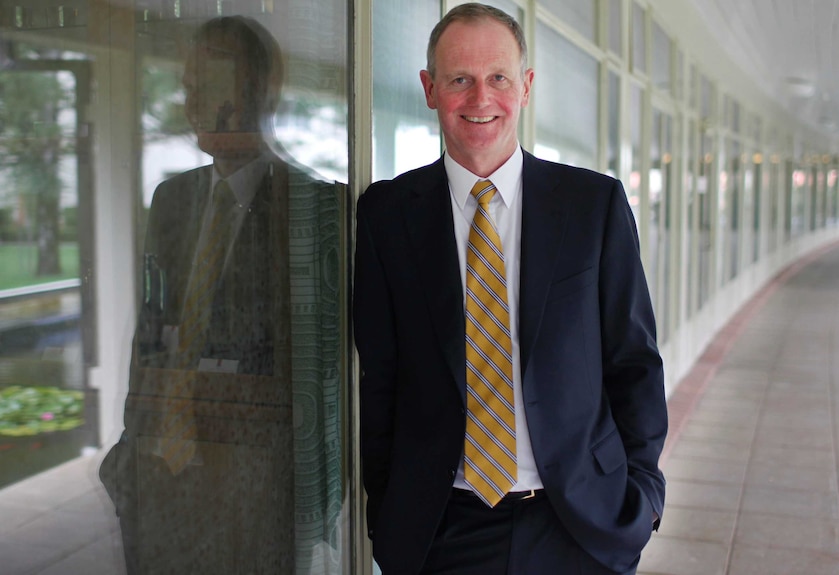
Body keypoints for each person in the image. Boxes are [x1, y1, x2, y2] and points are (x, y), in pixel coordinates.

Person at [353, 3, 666, 574]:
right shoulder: (387, 216)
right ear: (429, 89)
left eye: (498, 77)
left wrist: (641, 498)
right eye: (459, 80)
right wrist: (388, 513)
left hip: (579, 524)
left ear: (525, 86)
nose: (480, 99)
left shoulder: (593, 207)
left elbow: (633, 361)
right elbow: (381, 382)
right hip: (441, 530)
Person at [99, 16, 344, 575]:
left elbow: (324, 374)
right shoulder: (171, 199)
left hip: (254, 485)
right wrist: (127, 458)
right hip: (159, 474)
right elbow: (151, 331)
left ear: (260, 92)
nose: (193, 102)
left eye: (211, 83)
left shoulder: (315, 206)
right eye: (189, 87)